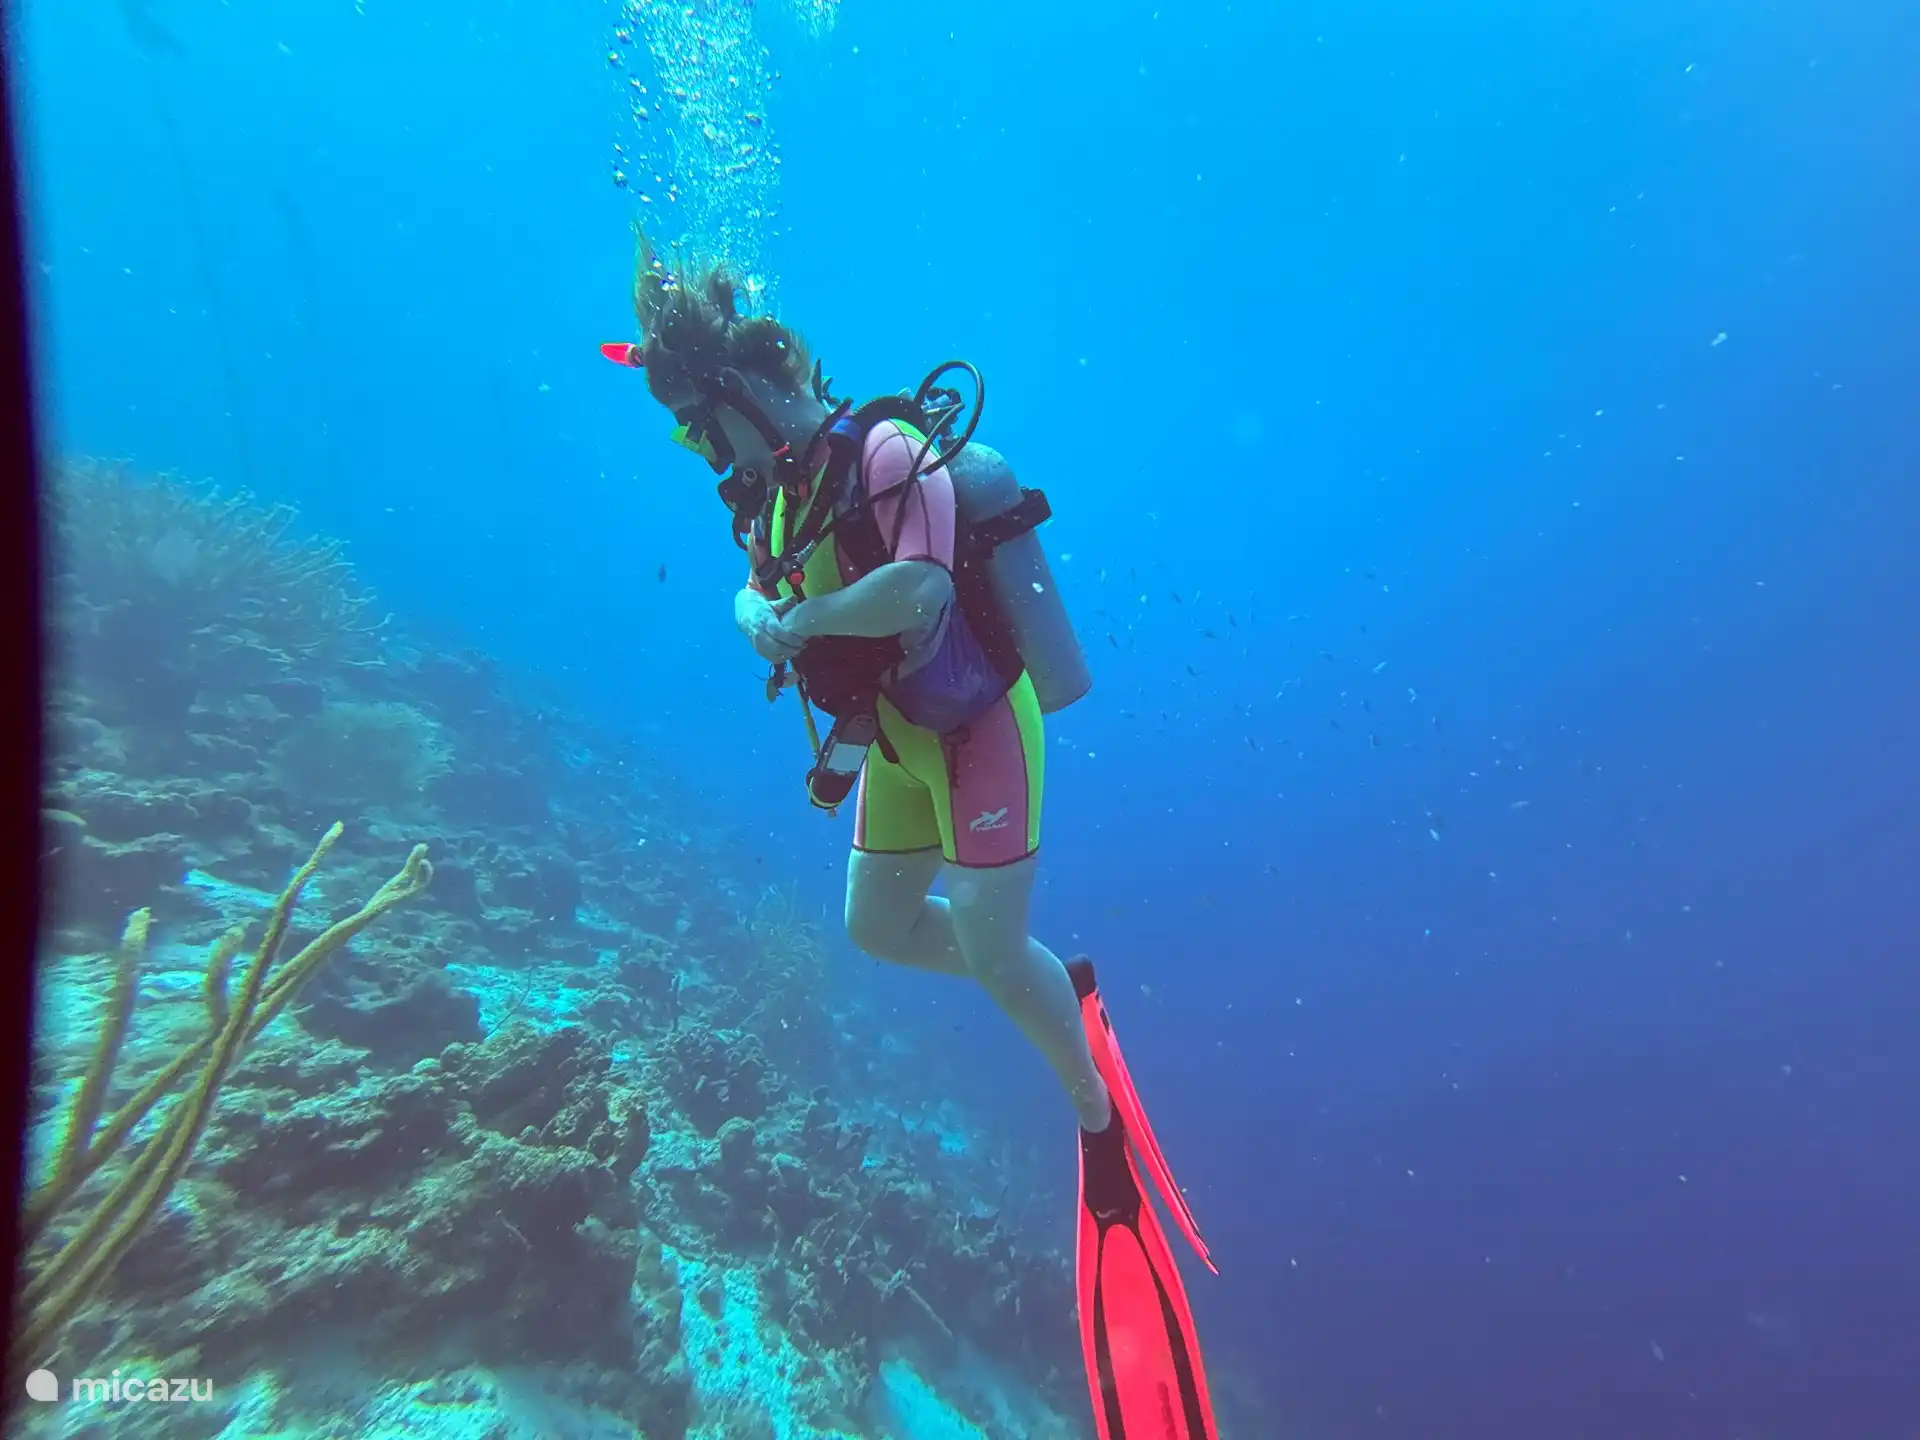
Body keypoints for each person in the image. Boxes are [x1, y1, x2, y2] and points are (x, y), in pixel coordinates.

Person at [603, 237, 1221, 1439]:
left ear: (733, 396)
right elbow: (764, 595)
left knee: (994, 959)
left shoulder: (887, 451)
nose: (696, 454)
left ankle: (1095, 1125)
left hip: (983, 725)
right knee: (874, 927)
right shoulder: (769, 491)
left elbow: (924, 595)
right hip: (894, 736)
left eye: (694, 428)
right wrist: (757, 613)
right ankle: (1054, 978)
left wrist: (798, 621)